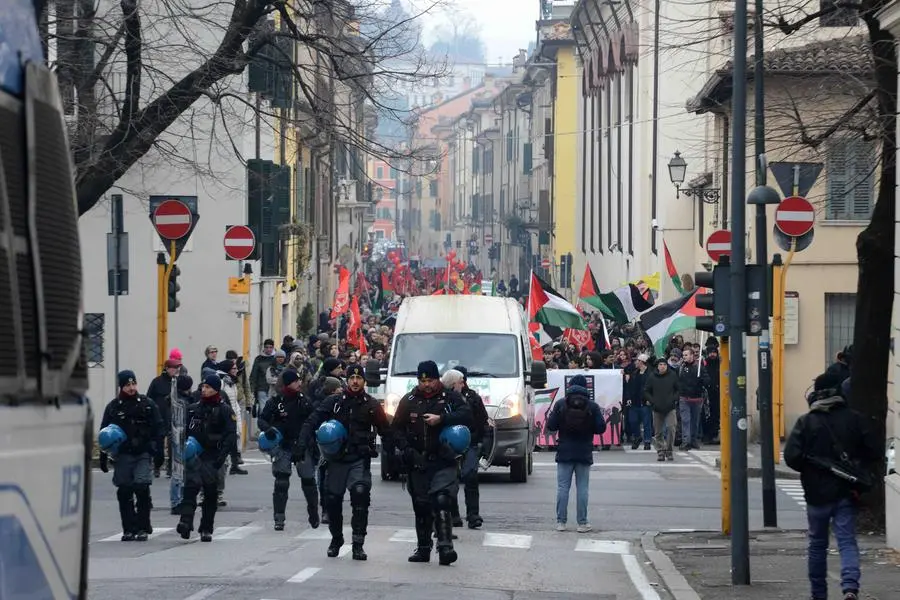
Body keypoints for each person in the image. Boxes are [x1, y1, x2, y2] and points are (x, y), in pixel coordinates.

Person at [784, 372, 881, 600]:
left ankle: (818, 594)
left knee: (817, 545)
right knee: (847, 541)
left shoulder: (807, 422)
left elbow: (791, 456)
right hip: (846, 492)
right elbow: (874, 450)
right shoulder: (854, 419)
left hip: (816, 494)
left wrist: (809, 467)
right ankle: (849, 587)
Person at [299, 364, 391, 560]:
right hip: (337, 459)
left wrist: (398, 454)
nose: (355, 382)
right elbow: (312, 421)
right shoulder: (334, 402)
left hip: (359, 457)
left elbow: (387, 432)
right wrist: (301, 443)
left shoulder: (371, 405)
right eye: (352, 378)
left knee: (360, 494)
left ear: (364, 381)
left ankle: (358, 543)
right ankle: (336, 538)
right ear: (346, 381)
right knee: (332, 500)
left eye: (359, 378)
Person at [391, 360, 471, 566]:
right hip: (417, 460)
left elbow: (467, 414)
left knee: (442, 500)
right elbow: (396, 429)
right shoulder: (408, 400)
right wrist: (406, 450)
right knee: (422, 505)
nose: (426, 384)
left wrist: (442, 419)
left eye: (431, 380)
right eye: (422, 380)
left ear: (438, 379)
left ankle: (445, 547)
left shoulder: (450, 397)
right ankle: (423, 547)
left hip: (443, 458)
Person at [98, 370, 165, 541]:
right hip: (123, 455)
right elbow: (104, 432)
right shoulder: (114, 407)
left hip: (142, 452)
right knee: (124, 490)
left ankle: (143, 526)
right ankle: (129, 528)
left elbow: (159, 428)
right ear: (121, 386)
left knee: (141, 487)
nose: (131, 388)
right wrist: (103, 456)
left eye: (133, 384)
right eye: (127, 385)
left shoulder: (147, 404)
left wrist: (159, 452)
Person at [257, 369, 320, 531]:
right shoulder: (276, 401)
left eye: (299, 381)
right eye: (295, 381)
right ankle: (279, 518)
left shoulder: (304, 401)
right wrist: (268, 429)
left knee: (308, 481)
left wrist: (307, 442)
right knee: (281, 481)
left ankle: (313, 512)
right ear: (287, 383)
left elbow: (313, 422)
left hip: (302, 445)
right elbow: (262, 419)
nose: (299, 383)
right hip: (283, 446)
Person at [176, 375, 237, 542]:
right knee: (190, 487)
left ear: (216, 389)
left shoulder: (224, 410)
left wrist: (222, 455)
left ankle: (206, 527)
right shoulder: (193, 409)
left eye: (209, 387)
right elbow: (183, 432)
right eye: (203, 387)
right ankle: (186, 521)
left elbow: (231, 435)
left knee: (210, 492)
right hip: (195, 454)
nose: (204, 390)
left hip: (213, 455)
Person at [545, 374, 606, 532]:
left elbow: (551, 426)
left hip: (564, 450)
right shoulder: (592, 406)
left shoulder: (560, 404)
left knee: (563, 487)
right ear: (586, 387)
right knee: (583, 488)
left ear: (569, 386)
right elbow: (601, 428)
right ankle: (582, 523)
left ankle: (561, 522)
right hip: (584, 451)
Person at [446, 367, 490, 529]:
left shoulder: (473, 397)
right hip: (450, 443)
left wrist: (484, 443)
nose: (462, 383)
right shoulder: (445, 398)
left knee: (470, 476)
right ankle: (453, 514)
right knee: (451, 479)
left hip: (470, 442)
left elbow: (483, 421)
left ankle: (473, 515)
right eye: (459, 380)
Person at [643, 358, 679, 462]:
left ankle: (669, 451)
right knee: (658, 432)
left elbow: (678, 389)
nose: (662, 366)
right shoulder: (652, 377)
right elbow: (646, 391)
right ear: (657, 366)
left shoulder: (672, 375)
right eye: (660, 364)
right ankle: (660, 451)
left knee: (671, 428)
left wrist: (674, 399)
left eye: (664, 364)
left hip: (670, 407)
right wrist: (652, 401)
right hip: (657, 408)